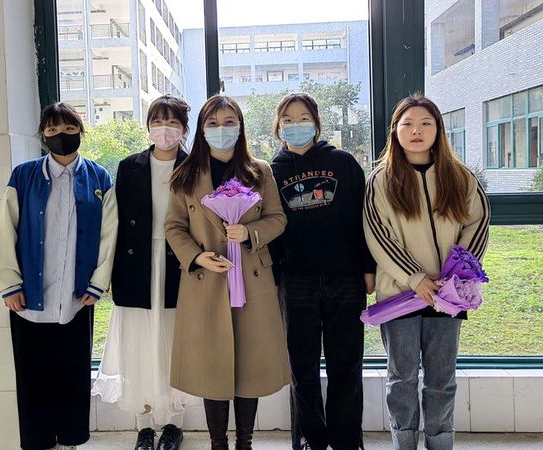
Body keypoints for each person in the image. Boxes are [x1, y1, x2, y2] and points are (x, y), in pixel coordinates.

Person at [364, 94, 490, 450]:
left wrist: (457, 277)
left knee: (441, 379)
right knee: (401, 377)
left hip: (447, 297)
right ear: (395, 131)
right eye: (407, 124)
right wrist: (416, 279)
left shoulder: (460, 177)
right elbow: (378, 234)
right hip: (400, 295)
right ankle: (403, 442)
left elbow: (477, 224)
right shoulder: (381, 180)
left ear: (438, 130)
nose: (416, 131)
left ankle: (440, 442)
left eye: (425, 123)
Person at [164, 94, 290, 450]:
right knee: (212, 366)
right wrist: (197, 257)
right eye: (213, 123)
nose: (222, 129)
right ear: (202, 130)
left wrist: (249, 233)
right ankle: (218, 444)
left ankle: (244, 443)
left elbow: (278, 219)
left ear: (240, 127)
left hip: (251, 280)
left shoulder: (259, 170)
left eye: (229, 122)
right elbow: (174, 226)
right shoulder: (186, 174)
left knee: (251, 364)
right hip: (206, 281)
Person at [0, 102, 118, 450]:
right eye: (53, 130)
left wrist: (98, 283)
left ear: (80, 132)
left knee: (74, 376)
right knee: (33, 378)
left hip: (77, 298)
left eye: (69, 129)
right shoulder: (23, 176)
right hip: (29, 297)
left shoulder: (99, 178)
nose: (61, 135)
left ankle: (71, 440)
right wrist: (9, 284)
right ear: (43, 135)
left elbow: (109, 235)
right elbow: (6, 231)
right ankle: (39, 442)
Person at [269, 92, 376, 450]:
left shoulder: (342, 163)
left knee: (346, 365)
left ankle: (346, 440)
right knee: (302, 369)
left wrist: (368, 268)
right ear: (278, 127)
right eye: (288, 119)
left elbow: (363, 219)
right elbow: (271, 230)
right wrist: (274, 281)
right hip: (295, 281)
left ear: (316, 123)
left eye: (303, 118)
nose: (295, 125)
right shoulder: (271, 172)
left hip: (345, 278)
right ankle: (310, 439)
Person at [91, 95, 197, 450]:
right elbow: (117, 223)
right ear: (148, 126)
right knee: (138, 344)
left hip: (179, 261)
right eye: (157, 121)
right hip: (136, 265)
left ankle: (174, 424)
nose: (164, 129)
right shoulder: (129, 166)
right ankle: (144, 426)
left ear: (184, 128)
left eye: (173, 122)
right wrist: (109, 274)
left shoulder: (195, 166)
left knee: (176, 344)